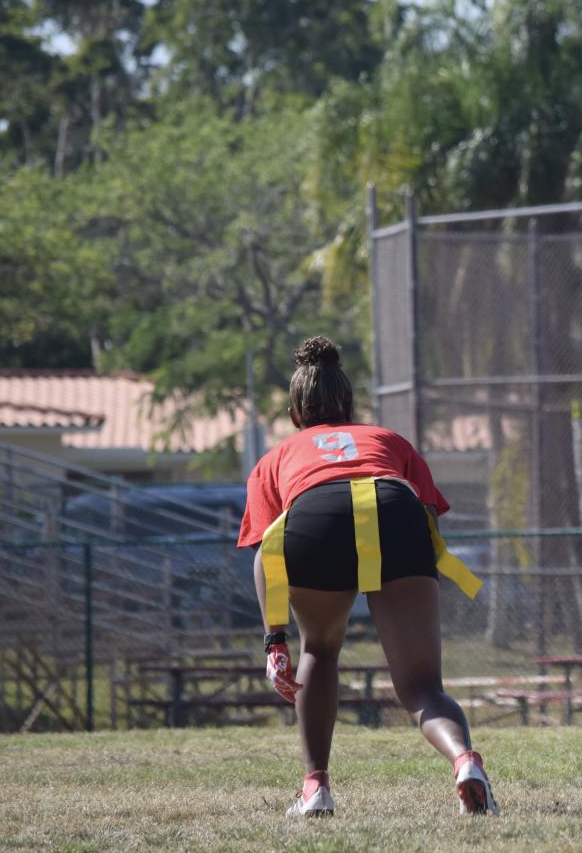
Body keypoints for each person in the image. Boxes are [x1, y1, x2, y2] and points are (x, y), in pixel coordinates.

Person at [239, 336, 495, 817]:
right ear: (351, 405)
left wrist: (274, 641)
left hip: (317, 516)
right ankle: (465, 761)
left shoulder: (275, 458)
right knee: (422, 687)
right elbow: (430, 516)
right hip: (395, 508)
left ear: (296, 416)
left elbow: (264, 553)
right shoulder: (386, 440)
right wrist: (413, 571)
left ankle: (315, 788)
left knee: (319, 649)